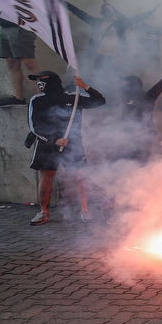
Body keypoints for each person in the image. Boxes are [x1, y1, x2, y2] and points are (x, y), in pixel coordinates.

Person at [26, 71, 107, 225]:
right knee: (47, 176)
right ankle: (44, 211)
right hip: (47, 144)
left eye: (41, 79)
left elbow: (99, 101)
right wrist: (53, 139)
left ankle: (85, 209)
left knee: (78, 175)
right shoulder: (37, 100)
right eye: (37, 80)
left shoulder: (73, 97)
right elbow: (34, 125)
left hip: (72, 143)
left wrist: (85, 86)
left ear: (53, 81)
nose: (39, 82)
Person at [111, 62, 162, 163]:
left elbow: (160, 86)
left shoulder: (147, 97)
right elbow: (115, 80)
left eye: (125, 83)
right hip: (128, 138)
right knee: (119, 161)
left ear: (133, 85)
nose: (122, 86)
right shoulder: (126, 97)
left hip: (142, 138)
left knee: (138, 163)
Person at [0, 18, 40, 107]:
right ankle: (18, 98)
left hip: (21, 26)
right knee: (11, 62)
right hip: (4, 26)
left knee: (29, 62)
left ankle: (42, 97)